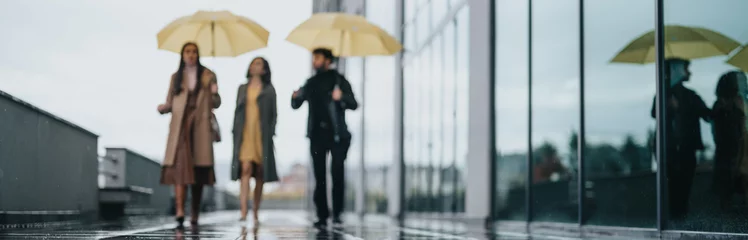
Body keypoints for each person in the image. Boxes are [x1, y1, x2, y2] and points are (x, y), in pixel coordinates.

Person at [291, 48, 358, 227]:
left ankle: (337, 213)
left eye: (318, 58)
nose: (315, 61)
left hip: (337, 135)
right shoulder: (310, 82)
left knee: (337, 173)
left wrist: (341, 97)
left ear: (328, 60)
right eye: (314, 58)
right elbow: (296, 104)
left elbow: (354, 104)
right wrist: (295, 97)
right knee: (319, 175)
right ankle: (322, 214)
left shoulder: (339, 81)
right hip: (316, 135)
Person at [157, 42, 220, 229]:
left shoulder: (208, 75)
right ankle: (179, 211)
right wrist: (163, 107)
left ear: (198, 54)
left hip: (200, 126)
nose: (191, 55)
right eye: (187, 52)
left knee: (199, 171)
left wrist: (212, 88)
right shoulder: (176, 77)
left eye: (194, 52)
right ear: (182, 55)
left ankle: (194, 212)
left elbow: (217, 102)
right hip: (181, 127)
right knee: (180, 169)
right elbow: (170, 102)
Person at [650, 58, 711, 219]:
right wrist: (670, 108)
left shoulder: (689, 96)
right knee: (673, 190)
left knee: (683, 190)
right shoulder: (664, 94)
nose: (689, 72)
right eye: (685, 69)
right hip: (669, 151)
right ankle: (675, 220)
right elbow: (655, 113)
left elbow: (708, 114)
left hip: (684, 150)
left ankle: (678, 219)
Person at [231, 57, 279, 224]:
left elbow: (274, 114)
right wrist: (234, 131)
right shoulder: (242, 88)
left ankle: (256, 210)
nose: (254, 66)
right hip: (244, 134)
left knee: (259, 172)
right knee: (245, 168)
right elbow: (237, 111)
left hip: (261, 135)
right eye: (252, 63)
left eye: (258, 63)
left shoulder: (269, 90)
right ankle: (243, 210)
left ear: (264, 69)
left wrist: (271, 132)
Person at [712, 71, 748, 210]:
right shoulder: (722, 106)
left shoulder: (741, 102)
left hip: (740, 150)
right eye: (741, 82)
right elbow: (722, 132)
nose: (745, 84)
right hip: (730, 153)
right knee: (727, 189)